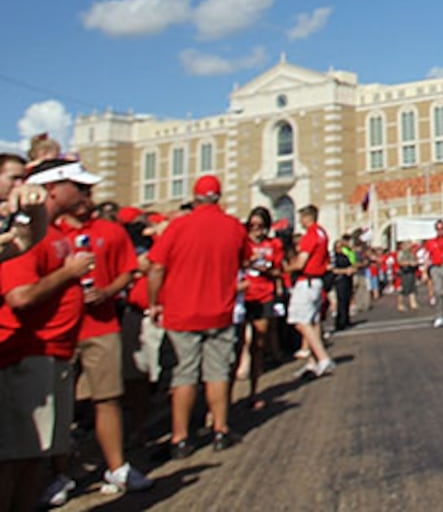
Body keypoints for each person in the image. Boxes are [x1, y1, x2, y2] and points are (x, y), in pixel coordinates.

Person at [0, 160, 93, 510]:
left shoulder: (49, 233)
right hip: (24, 354)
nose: (86, 195)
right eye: (78, 186)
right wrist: (69, 274)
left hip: (48, 353)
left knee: (29, 457)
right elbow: (20, 296)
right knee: (14, 458)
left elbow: (23, 241)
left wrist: (34, 210)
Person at [51, 171, 150, 497]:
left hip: (102, 325)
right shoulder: (52, 233)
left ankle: (117, 466)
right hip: (61, 330)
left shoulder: (111, 231)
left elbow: (128, 271)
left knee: (107, 398)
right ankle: (59, 474)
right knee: (60, 406)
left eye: (87, 190)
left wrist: (107, 292)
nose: (85, 197)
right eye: (79, 189)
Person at [145, 174, 249, 458]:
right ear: (219, 196)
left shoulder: (178, 226)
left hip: (182, 313)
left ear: (195, 197)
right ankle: (220, 429)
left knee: (184, 375)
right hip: (219, 310)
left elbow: (155, 268)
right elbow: (245, 260)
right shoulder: (233, 227)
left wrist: (154, 302)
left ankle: (180, 437)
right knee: (218, 372)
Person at [235, 206, 283, 411]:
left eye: (261, 226)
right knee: (238, 343)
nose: (257, 230)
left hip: (263, 294)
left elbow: (279, 270)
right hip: (242, 296)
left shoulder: (274, 244)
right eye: (253, 226)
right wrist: (248, 263)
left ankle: (254, 391)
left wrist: (269, 270)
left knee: (258, 342)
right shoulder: (241, 243)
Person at [286, 205, 336, 377]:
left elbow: (301, 262)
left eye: (301, 218)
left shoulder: (311, 235)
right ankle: (313, 362)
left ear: (307, 218)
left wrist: (287, 268)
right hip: (317, 281)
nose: (300, 222)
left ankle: (322, 357)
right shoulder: (322, 234)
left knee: (299, 320)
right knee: (313, 322)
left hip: (306, 281)